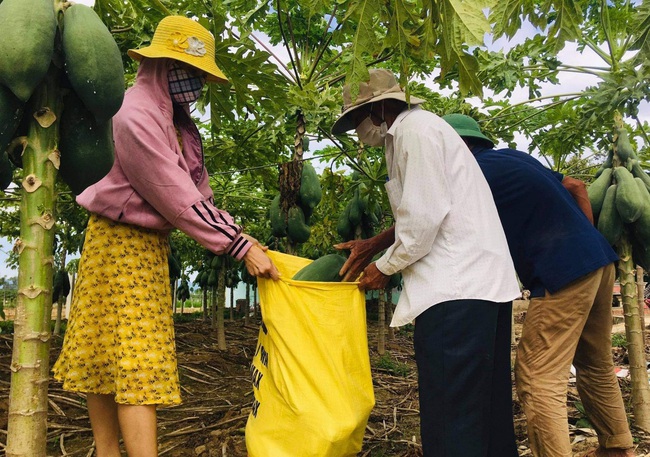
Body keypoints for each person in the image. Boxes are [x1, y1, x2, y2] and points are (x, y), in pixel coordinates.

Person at [52, 16, 279, 457]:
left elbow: (198, 193)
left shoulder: (175, 121)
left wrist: (238, 233)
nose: (193, 82)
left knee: (110, 356)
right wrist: (238, 244)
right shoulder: (135, 112)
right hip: (119, 244)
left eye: (199, 75)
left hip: (145, 248)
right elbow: (173, 192)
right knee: (133, 360)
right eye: (187, 70)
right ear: (159, 64)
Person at [330, 69, 522, 457]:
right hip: (480, 287)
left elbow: (423, 217)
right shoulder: (417, 132)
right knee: (485, 411)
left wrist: (384, 267)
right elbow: (423, 210)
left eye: (358, 119)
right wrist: (374, 246)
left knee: (453, 414)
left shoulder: (413, 132)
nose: (358, 129)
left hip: (456, 291)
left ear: (382, 107)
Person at [442, 113, 635, 457]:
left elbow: (430, 220)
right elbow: (576, 186)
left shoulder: (468, 174)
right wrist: (585, 240)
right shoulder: (513, 157)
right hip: (599, 261)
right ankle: (619, 448)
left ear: (452, 146)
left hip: (562, 271)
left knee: (538, 378)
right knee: (596, 364)